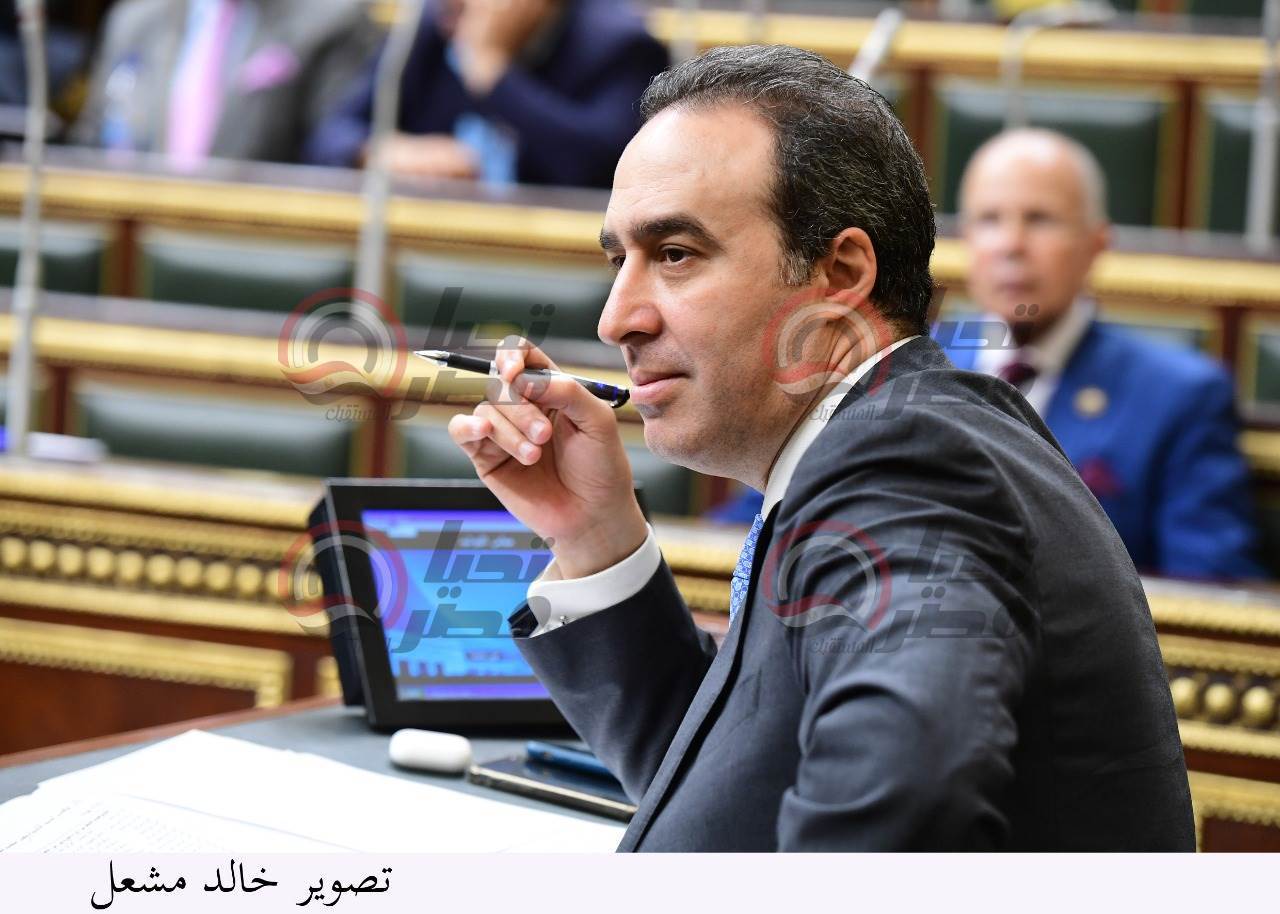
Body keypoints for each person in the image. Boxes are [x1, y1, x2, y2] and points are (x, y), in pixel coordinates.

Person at [444, 46, 1194, 850]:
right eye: (617, 260)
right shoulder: (884, 437)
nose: (615, 319)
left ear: (840, 274)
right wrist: (597, 538)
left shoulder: (910, 463)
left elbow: (898, 803)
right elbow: (737, 794)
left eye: (675, 255)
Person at [942, 128, 1265, 581]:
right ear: (965, 240)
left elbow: (1210, 591)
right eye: (990, 219)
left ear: (1097, 244)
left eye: (1040, 219)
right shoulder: (906, 366)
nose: (1011, 244)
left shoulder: (1180, 396)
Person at [302, 0, 668, 188]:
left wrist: (492, 73)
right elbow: (330, 135)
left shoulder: (620, 45)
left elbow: (602, 169)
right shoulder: (435, 25)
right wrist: (379, 151)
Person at [72, 0, 381, 167]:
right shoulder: (135, 20)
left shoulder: (333, 20)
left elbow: (331, 150)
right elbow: (89, 144)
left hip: (252, 241)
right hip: (130, 236)